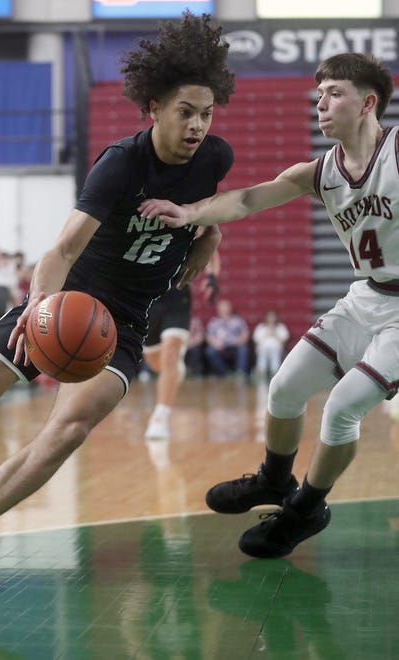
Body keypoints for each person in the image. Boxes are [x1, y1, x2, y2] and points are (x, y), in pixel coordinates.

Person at [0, 11, 236, 588]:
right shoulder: (120, 164)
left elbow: (210, 213)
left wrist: (207, 238)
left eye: (206, 113)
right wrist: (38, 311)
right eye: (185, 111)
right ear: (153, 107)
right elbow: (60, 252)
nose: (197, 126)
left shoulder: (214, 159)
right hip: (66, 300)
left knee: (69, 429)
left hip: (123, 325)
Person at [136, 52, 398, 558]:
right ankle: (274, 481)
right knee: (284, 388)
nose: (320, 102)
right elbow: (248, 199)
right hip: (365, 294)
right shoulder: (322, 171)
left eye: (334, 93)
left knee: (342, 408)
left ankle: (304, 510)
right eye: (318, 93)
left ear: (368, 103)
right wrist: (188, 212)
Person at [143, 249, 220, 438]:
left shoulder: (184, 220)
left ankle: (159, 418)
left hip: (177, 297)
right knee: (156, 364)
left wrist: (212, 277)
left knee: (170, 354)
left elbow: (211, 242)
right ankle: (175, 369)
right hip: (146, 299)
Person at [204, 298, 250, 378]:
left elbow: (245, 333)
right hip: (220, 345)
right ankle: (223, 373)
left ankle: (240, 372)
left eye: (226, 307)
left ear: (230, 308)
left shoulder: (238, 320)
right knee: (210, 351)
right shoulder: (214, 322)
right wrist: (215, 343)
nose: (224, 310)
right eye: (222, 308)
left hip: (235, 344)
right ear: (218, 309)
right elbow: (209, 336)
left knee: (243, 348)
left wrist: (240, 341)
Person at [252, 309, 290, 381]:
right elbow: (256, 340)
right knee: (262, 354)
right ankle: (261, 372)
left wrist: (275, 333)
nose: (271, 319)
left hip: (276, 349)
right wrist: (266, 333)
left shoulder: (281, 327)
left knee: (275, 356)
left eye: (273, 317)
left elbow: (284, 341)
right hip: (263, 348)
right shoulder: (261, 327)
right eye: (269, 317)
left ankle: (275, 372)